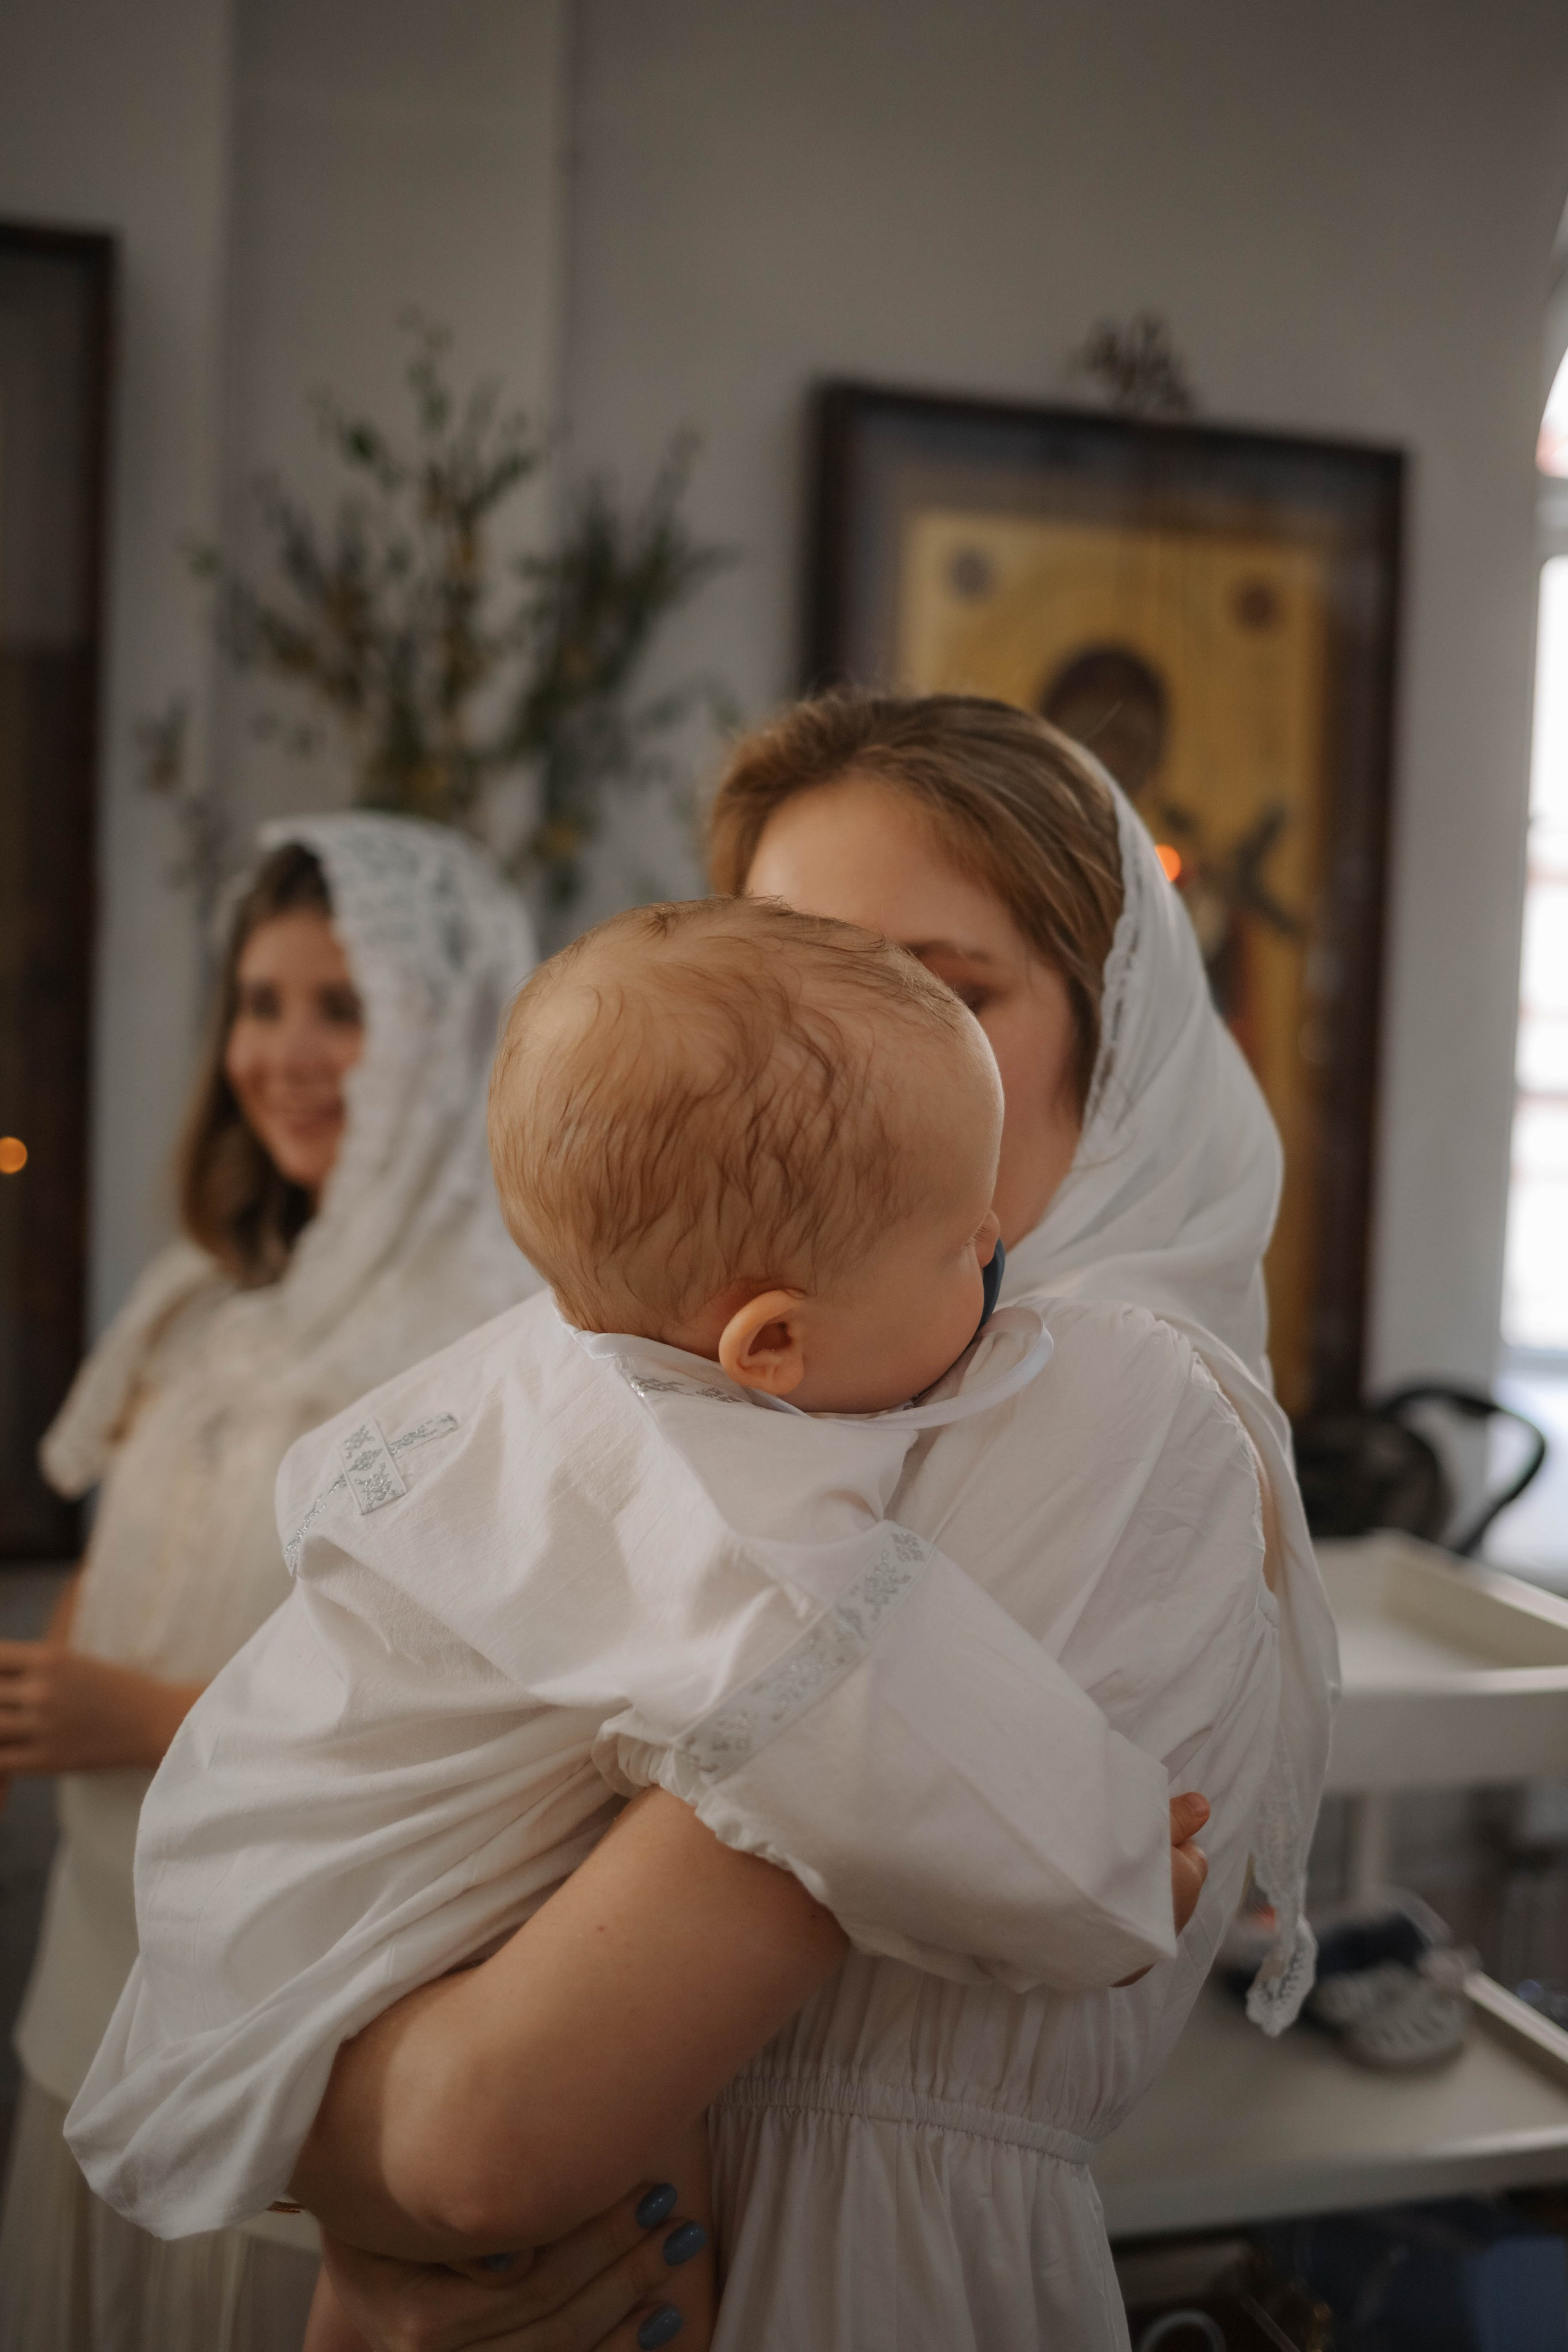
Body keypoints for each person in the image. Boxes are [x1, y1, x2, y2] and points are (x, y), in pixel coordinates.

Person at [67, 897, 1219, 2350]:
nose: (995, 1249)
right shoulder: (722, 1506)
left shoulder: (565, 1354)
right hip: (336, 1934)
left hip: (253, 1897)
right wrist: (1106, 1867)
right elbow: (875, 1734)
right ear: (771, 1346)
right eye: (958, 1247)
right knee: (616, 2244)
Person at [0, 813, 540, 2352]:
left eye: (342, 1008)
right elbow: (111, 1573)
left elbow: (493, 1728)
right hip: (92, 1958)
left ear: (443, 1039)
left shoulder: (493, 1337)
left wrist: (148, 1717)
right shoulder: (201, 1290)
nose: (285, 1054)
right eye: (260, 1003)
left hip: (294, 2012)